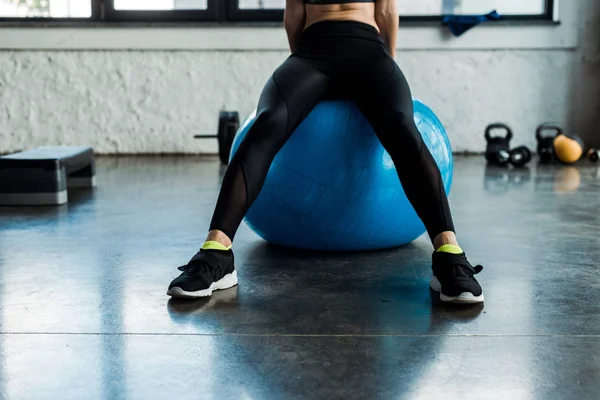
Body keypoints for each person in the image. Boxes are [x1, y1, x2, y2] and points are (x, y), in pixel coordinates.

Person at [167, 0, 484, 304]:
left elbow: (386, 12)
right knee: (268, 122)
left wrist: (385, 67)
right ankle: (216, 253)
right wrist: (304, 79)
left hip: (368, 53)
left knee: (400, 124)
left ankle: (449, 255)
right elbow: (294, 16)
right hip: (313, 54)